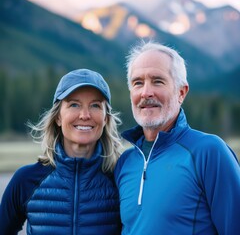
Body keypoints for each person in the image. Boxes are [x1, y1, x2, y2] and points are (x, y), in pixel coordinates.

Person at [114, 41, 240, 234]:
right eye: (138, 83)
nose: (146, 92)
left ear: (181, 92)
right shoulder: (125, 162)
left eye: (158, 81)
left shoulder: (208, 152)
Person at [0, 69, 122, 235]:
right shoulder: (26, 179)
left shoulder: (121, 179)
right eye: (74, 104)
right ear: (58, 117)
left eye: (95, 105)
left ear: (105, 118)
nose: (85, 115)